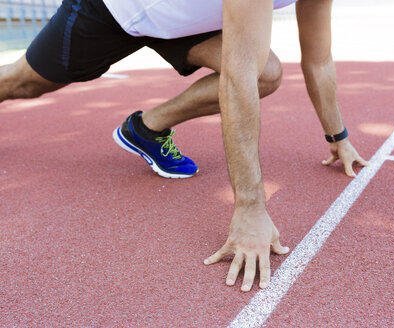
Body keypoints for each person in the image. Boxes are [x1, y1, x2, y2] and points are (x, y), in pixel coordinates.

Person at [0, 0, 368, 292]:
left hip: (180, 25)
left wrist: (339, 137)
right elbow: (237, 78)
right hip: (115, 11)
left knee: (266, 73)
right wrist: (250, 208)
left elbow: (319, 60)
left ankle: (145, 129)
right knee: (23, 82)